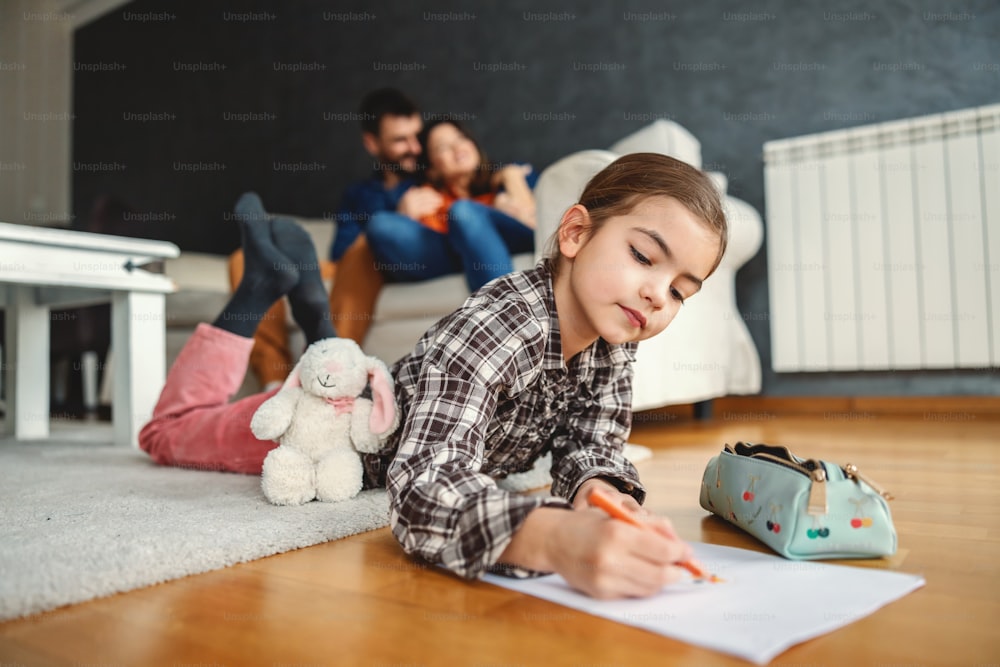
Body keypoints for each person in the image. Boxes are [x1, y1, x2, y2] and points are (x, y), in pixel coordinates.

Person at [139, 152, 728, 600]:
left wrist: (604, 496)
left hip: (375, 396)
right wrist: (551, 538)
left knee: (321, 370)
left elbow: (593, 441)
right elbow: (421, 489)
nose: (656, 295)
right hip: (328, 427)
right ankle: (255, 294)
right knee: (168, 433)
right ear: (575, 234)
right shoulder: (498, 325)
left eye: (680, 291)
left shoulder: (612, 344)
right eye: (644, 258)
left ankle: (316, 320)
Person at [228, 88, 436, 389]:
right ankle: (274, 384)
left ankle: (331, 371)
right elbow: (341, 251)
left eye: (418, 136)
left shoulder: (434, 181)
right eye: (400, 140)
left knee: (365, 247)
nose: (415, 148)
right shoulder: (359, 194)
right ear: (371, 143)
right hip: (349, 267)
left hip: (397, 264)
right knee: (247, 258)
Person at [363, 118, 536, 292]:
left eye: (460, 138)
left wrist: (511, 180)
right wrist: (404, 214)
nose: (457, 147)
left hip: (516, 240)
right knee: (381, 224)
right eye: (442, 147)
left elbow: (542, 226)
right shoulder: (427, 200)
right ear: (432, 170)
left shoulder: (515, 174)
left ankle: (505, 314)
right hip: (455, 254)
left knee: (463, 211)